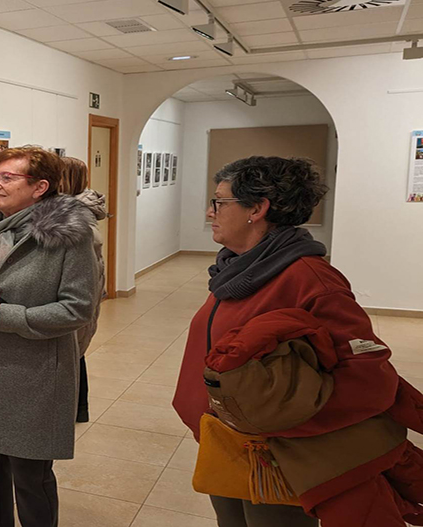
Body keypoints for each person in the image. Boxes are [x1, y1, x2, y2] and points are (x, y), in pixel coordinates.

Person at [174, 156, 423, 527]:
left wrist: (277, 421)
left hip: (276, 458)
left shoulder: (312, 280)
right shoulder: (238, 269)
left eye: (219, 202)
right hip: (225, 446)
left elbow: (370, 381)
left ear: (256, 209)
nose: (210, 212)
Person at [0, 146, 98, 527]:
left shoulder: (69, 236)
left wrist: (6, 316)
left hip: (33, 378)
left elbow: (78, 308)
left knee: (31, 480)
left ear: (40, 187)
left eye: (6, 177)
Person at [58, 156, 107, 423]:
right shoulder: (80, 212)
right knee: (76, 354)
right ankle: (79, 409)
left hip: (78, 299)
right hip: (87, 296)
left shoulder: (75, 220)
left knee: (72, 353)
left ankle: (74, 409)